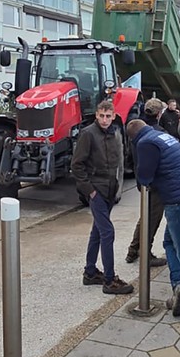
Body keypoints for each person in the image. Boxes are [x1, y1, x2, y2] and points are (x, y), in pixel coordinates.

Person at [128, 119, 180, 315]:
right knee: (169, 243)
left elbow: (144, 177)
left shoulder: (145, 143)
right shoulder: (162, 136)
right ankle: (179, 286)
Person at [71, 100, 132, 294]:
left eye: (108, 116)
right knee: (107, 232)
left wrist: (117, 185)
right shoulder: (88, 134)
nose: (105, 120)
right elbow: (77, 165)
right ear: (96, 115)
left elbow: (119, 161)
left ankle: (90, 272)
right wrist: (89, 190)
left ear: (113, 116)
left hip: (110, 188)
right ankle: (109, 279)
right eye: (101, 116)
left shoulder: (115, 132)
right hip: (96, 188)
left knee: (98, 230)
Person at [125, 98, 168, 267]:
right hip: (155, 182)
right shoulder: (157, 132)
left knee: (145, 216)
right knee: (153, 218)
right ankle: (145, 252)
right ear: (159, 114)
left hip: (141, 179)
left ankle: (133, 250)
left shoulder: (137, 129)